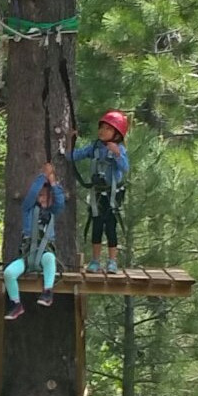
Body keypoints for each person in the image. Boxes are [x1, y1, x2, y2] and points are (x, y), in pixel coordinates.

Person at [67, 109, 129, 274]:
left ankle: (112, 261)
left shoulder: (119, 149)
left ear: (117, 134)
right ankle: (94, 261)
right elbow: (75, 155)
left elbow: (125, 167)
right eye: (101, 127)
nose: (102, 131)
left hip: (112, 196)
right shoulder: (94, 147)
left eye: (108, 129)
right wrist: (68, 143)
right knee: (97, 227)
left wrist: (117, 154)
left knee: (110, 227)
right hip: (97, 196)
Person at [3, 162, 65, 321]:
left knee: (50, 258)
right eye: (39, 195)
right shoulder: (28, 209)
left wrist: (52, 181)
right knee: (9, 273)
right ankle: (16, 303)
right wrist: (42, 176)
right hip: (27, 255)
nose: (40, 198)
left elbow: (59, 201)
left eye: (44, 195)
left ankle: (47, 292)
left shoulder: (53, 211)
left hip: (44, 254)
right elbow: (31, 195)